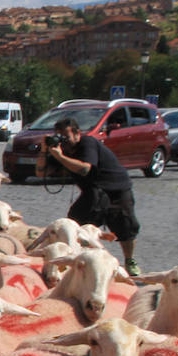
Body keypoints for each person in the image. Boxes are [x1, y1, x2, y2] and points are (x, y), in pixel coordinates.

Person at [40, 117, 141, 275]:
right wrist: (44, 150)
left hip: (117, 188)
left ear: (77, 133)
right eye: (59, 136)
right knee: (74, 224)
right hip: (93, 191)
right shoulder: (61, 150)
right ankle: (77, 259)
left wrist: (60, 157)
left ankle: (129, 261)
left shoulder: (88, 143)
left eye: (65, 136)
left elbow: (85, 169)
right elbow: (40, 172)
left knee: (125, 226)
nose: (63, 141)